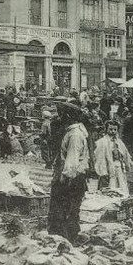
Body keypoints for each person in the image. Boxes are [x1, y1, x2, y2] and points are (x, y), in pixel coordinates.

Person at [47, 103, 91, 242]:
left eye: (61, 115)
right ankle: (68, 236)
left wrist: (64, 179)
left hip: (71, 179)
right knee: (70, 209)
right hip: (74, 178)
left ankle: (65, 238)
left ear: (67, 117)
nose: (59, 118)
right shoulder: (74, 132)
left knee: (64, 209)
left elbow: (72, 161)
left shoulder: (75, 135)